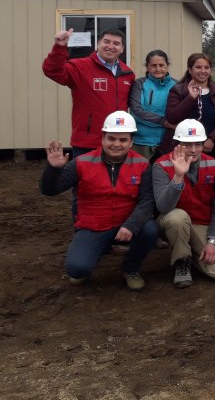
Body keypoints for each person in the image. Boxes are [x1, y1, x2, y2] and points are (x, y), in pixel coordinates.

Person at [40, 111, 158, 291]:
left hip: (125, 225)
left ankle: (130, 268)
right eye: (111, 138)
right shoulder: (82, 162)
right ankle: (97, 250)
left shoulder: (142, 164)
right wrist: (53, 170)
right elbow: (49, 190)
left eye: (123, 140)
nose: (116, 144)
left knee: (150, 230)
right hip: (93, 225)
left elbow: (147, 200)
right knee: (77, 269)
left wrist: (131, 226)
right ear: (102, 138)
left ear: (131, 142)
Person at [152, 119, 215, 287]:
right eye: (188, 144)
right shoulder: (161, 165)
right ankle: (182, 263)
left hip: (202, 223)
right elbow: (164, 207)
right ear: (178, 143)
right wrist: (178, 176)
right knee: (178, 217)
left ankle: (191, 254)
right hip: (173, 222)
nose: (194, 149)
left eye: (198, 144)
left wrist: (213, 241)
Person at [42, 28, 135, 156]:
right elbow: (52, 71)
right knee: (85, 176)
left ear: (122, 49)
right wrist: (59, 47)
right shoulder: (80, 67)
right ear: (98, 44)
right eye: (106, 42)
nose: (110, 46)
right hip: (87, 143)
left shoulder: (127, 74)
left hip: (117, 142)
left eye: (116, 43)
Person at [163, 53, 215, 159]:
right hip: (184, 148)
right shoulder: (178, 90)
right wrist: (190, 98)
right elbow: (172, 117)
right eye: (198, 67)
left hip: (212, 147)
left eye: (206, 67)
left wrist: (212, 139)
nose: (203, 71)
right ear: (190, 69)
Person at [129, 49, 176, 160]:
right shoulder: (139, 84)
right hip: (142, 143)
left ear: (167, 66)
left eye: (161, 65)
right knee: (142, 175)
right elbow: (137, 111)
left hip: (168, 142)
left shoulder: (177, 85)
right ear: (147, 67)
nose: (158, 69)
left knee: (164, 175)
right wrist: (164, 122)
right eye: (153, 65)